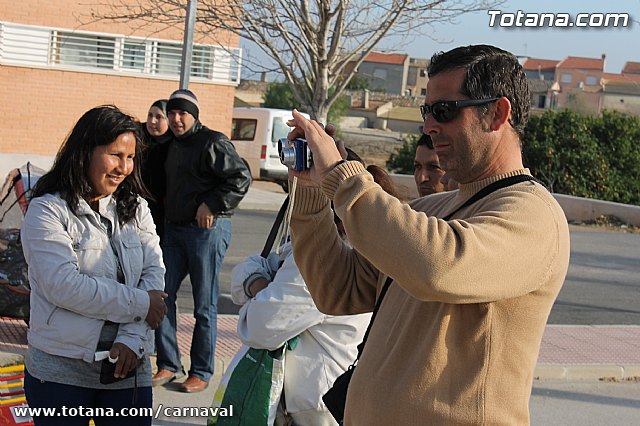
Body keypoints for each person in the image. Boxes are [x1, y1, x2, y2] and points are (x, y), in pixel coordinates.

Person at [285, 44, 571, 424]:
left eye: (445, 111)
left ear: (499, 114)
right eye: (427, 111)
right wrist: (311, 190)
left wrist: (343, 177)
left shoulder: (533, 215)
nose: (429, 126)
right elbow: (337, 288)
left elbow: (440, 265)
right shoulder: (427, 211)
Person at [20, 105, 167, 426]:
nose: (124, 168)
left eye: (130, 158)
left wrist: (131, 336)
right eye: (115, 155)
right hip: (61, 372)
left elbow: (153, 272)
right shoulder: (47, 211)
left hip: (128, 368)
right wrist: (142, 304)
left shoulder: (136, 207)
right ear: (85, 152)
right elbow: (63, 285)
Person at [229, 154, 402, 426]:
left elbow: (261, 326)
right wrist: (262, 287)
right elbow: (246, 271)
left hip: (317, 410)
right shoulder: (321, 248)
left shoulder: (324, 258)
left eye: (301, 175)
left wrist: (259, 286)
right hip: (313, 402)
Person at [153, 89, 252, 393]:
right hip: (173, 231)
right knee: (161, 296)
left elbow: (241, 177)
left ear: (194, 115)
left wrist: (212, 203)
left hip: (206, 232)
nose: (176, 119)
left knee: (203, 305)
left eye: (182, 113)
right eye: (172, 113)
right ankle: (169, 364)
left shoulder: (212, 141)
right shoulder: (170, 144)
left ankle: (202, 371)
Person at [140, 99, 172, 242]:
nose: (152, 121)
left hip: (163, 213)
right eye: (149, 115)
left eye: (159, 117)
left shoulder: (175, 145)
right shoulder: (138, 138)